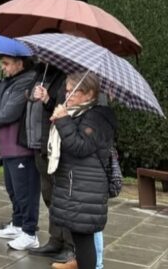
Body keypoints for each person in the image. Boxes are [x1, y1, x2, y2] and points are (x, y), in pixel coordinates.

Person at [48, 72, 116, 269]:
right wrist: (61, 120)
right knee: (79, 236)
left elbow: (80, 147)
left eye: (74, 92)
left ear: (89, 94)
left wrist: (62, 121)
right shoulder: (77, 112)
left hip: (86, 188)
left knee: (84, 238)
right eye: (67, 91)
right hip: (74, 185)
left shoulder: (98, 116)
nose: (68, 95)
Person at [0, 54, 40, 251]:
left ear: (20, 64)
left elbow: (11, 112)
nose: (3, 67)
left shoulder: (28, 80)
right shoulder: (6, 82)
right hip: (7, 146)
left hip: (21, 146)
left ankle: (30, 232)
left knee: (25, 192)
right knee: (12, 189)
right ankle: (17, 225)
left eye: (6, 63)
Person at [29, 63, 75, 264]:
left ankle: (71, 247)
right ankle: (56, 239)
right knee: (49, 195)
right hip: (45, 144)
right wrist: (41, 96)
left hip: (63, 148)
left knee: (65, 199)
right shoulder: (47, 72)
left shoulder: (82, 77)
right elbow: (46, 104)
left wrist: (51, 101)